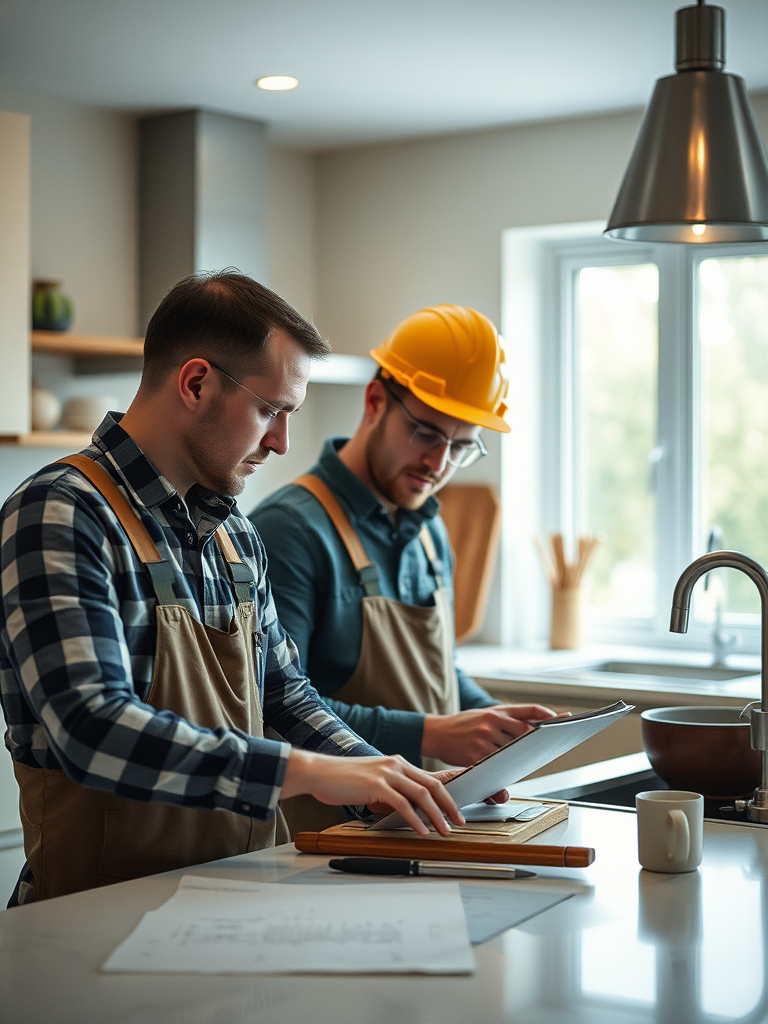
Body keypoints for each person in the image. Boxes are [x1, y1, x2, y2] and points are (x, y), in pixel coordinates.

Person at [0, 274, 468, 906]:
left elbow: (283, 696)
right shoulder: (60, 511)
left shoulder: (234, 535)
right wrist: (305, 771)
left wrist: (392, 780)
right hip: (91, 918)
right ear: (197, 384)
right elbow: (92, 727)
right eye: (271, 411)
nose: (280, 442)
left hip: (235, 902)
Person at [251, 304, 556, 833]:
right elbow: (273, 708)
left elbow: (439, 676)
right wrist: (432, 735)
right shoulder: (290, 530)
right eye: (427, 434)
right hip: (327, 843)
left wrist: (499, 726)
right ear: (375, 402)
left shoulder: (431, 531)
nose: (438, 466)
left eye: (462, 448)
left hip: (428, 825)